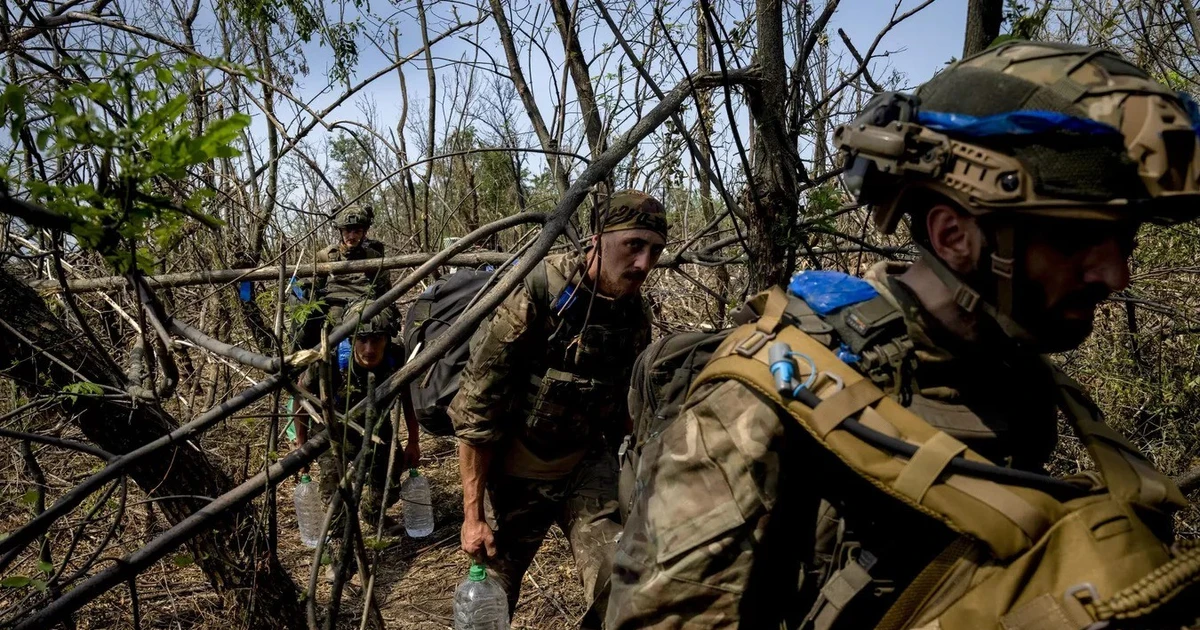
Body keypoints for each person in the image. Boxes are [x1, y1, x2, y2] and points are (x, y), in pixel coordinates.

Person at [607, 41, 1200, 629]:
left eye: (1127, 240)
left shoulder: (1014, 374)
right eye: (1076, 241)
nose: (1116, 275)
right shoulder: (766, 398)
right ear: (953, 237)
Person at [449, 189, 669, 620]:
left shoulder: (633, 313)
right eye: (633, 246)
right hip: (513, 475)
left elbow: (627, 408)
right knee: (490, 599)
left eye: (655, 250)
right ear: (597, 238)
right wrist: (472, 515)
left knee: (621, 580)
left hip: (585, 469)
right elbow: (476, 408)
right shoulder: (535, 292)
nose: (644, 263)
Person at [295, 302, 421, 541]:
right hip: (331, 433)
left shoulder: (396, 355)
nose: (369, 348)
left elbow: (408, 398)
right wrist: (302, 446)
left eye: (376, 340)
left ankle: (372, 514)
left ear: (387, 338)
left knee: (388, 485)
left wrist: (413, 440)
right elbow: (301, 396)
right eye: (361, 340)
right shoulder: (328, 357)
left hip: (377, 427)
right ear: (350, 339)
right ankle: (341, 546)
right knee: (334, 494)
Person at [293, 204, 392, 351]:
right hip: (333, 308)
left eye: (357, 231)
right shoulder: (325, 255)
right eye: (347, 231)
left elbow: (385, 292)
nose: (351, 236)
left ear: (364, 232)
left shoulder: (374, 256)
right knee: (313, 338)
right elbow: (314, 287)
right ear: (340, 231)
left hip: (365, 306)